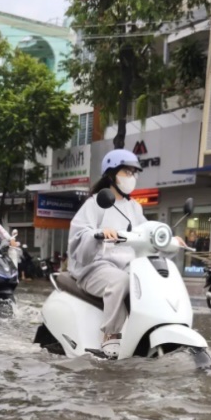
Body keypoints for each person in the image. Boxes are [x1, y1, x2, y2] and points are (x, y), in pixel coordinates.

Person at [67, 149, 147, 357]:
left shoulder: (134, 208)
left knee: (146, 281)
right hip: (96, 266)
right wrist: (98, 233)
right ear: (111, 174)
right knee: (120, 281)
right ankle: (110, 336)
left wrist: (169, 237)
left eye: (133, 173)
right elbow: (80, 233)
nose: (131, 178)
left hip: (127, 265)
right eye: (126, 172)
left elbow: (147, 231)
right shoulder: (95, 203)